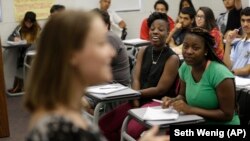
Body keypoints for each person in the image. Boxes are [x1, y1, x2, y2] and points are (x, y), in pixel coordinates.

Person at [24, 10, 169, 141]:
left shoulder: (61, 116)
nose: (111, 52)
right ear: (73, 55)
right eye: (100, 43)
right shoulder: (59, 128)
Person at [99, 12, 179, 141]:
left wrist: (136, 95)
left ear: (168, 32)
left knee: (130, 130)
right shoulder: (143, 51)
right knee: (104, 124)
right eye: (152, 29)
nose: (155, 32)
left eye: (160, 29)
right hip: (138, 98)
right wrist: (135, 97)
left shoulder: (172, 58)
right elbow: (135, 77)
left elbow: (161, 89)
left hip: (156, 104)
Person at [162, 27, 240, 125]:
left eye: (195, 48)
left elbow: (227, 115)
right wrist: (173, 100)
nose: (189, 51)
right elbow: (183, 96)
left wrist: (191, 109)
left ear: (205, 51)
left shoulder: (220, 74)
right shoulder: (185, 67)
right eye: (185, 46)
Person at [7, 11, 41, 93]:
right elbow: (10, 38)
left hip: (34, 52)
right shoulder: (20, 27)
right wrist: (15, 39)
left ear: (34, 22)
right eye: (27, 22)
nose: (28, 24)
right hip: (23, 51)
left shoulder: (38, 28)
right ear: (24, 20)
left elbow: (42, 41)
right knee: (20, 64)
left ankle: (27, 87)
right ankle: (18, 87)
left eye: (31, 22)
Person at [223, 7, 250, 78]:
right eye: (243, 20)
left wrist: (229, 73)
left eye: (249, 21)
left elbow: (247, 70)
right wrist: (228, 43)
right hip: (234, 82)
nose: (245, 24)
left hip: (246, 86)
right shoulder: (239, 44)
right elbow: (228, 66)